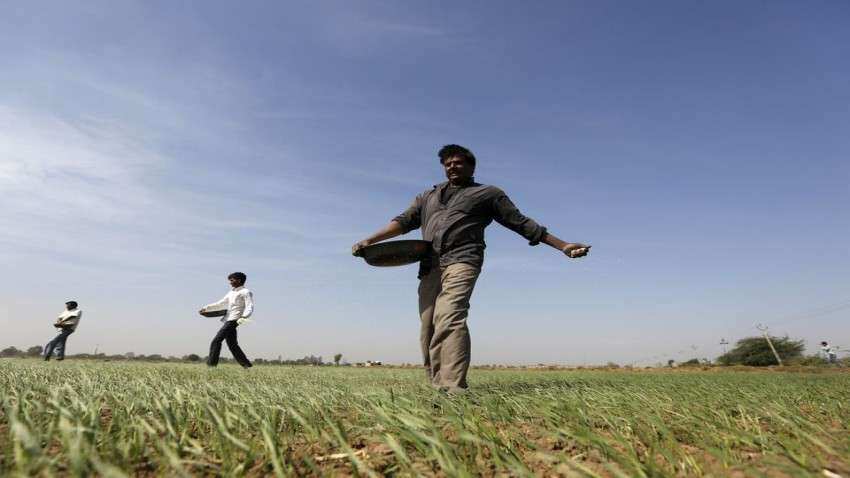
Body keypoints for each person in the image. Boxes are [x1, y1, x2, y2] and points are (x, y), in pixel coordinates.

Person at [352, 144, 590, 392]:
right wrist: (371, 240)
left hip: (462, 260)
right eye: (447, 163)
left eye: (457, 162)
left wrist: (563, 245)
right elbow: (402, 222)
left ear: (471, 166)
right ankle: (437, 388)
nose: (452, 166)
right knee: (428, 327)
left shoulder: (487, 194)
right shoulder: (427, 197)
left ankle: (454, 389)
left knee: (450, 315)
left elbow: (521, 223)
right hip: (430, 264)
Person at [199, 272, 254, 368]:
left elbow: (250, 306)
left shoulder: (246, 292)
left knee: (216, 341)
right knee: (232, 345)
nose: (230, 282)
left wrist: (244, 317)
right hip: (228, 318)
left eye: (232, 280)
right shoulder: (231, 292)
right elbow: (220, 303)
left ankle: (211, 366)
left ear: (239, 280)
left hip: (235, 319)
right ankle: (247, 365)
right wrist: (206, 308)